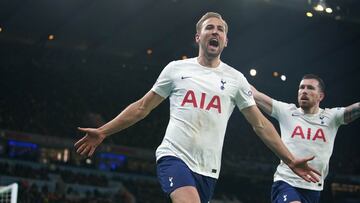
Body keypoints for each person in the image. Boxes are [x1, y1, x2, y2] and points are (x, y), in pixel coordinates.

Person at [74, 12, 320, 203]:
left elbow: (260, 124)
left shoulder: (235, 79)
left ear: (225, 41)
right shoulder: (176, 69)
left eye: (220, 30)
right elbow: (141, 107)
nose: (215, 32)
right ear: (198, 37)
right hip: (174, 157)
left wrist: (289, 159)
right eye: (209, 28)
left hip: (208, 170)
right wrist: (104, 131)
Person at [251, 74, 359, 203]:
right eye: (301, 87)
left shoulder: (332, 117)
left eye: (310, 88)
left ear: (321, 96)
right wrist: (231, 74)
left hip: (314, 188)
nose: (304, 91)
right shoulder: (287, 111)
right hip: (286, 182)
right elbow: (255, 95)